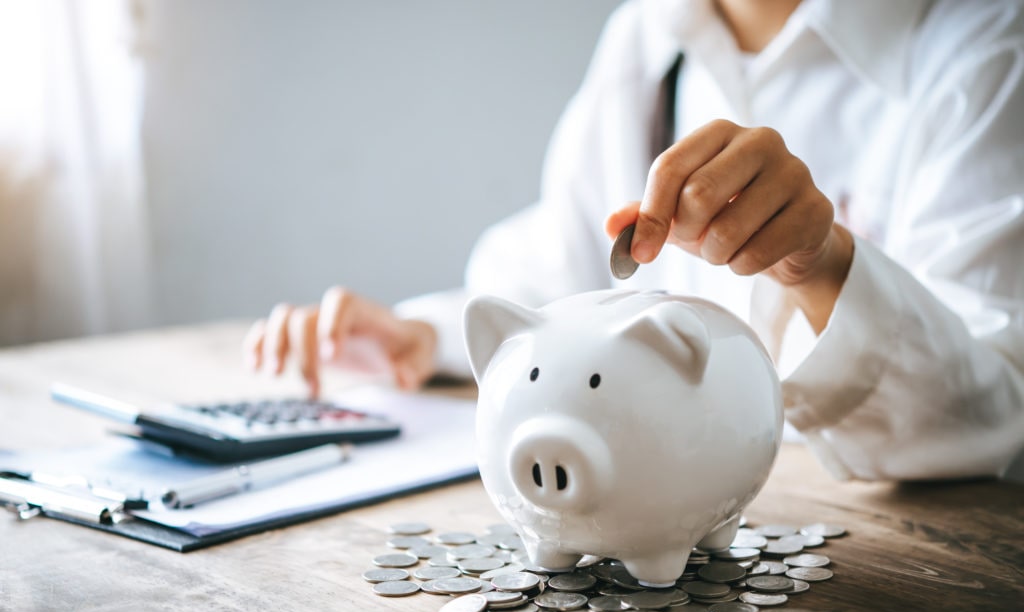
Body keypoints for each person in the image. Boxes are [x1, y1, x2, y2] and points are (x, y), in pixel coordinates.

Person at [244, 0, 1024, 482]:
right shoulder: (647, 40)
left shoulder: (987, 44)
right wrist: (427, 334)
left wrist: (823, 267)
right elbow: (566, 266)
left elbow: (992, 417)